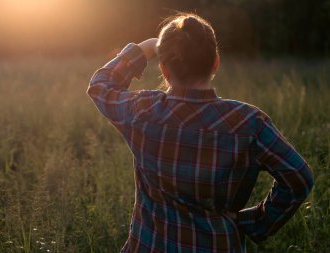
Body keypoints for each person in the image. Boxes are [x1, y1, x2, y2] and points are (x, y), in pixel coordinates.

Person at [87, 13, 314, 253]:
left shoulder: (144, 111)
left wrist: (147, 47)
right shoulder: (248, 122)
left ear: (164, 70)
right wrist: (254, 223)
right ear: (216, 62)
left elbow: (101, 86)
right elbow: (299, 178)